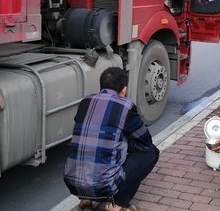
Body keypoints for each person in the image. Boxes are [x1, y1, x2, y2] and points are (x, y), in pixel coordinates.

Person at [64, 67, 159, 211]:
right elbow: (145, 141)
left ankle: (86, 199)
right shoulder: (125, 106)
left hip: (72, 182)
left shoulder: (85, 101)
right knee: (151, 152)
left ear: (101, 86)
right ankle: (117, 205)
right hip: (103, 186)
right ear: (124, 90)